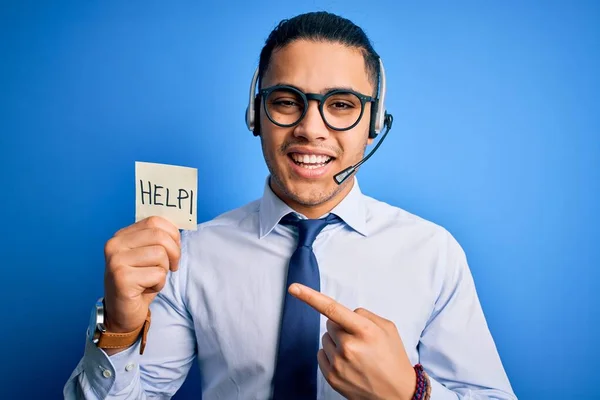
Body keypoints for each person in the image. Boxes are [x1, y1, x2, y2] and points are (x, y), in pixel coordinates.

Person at [64, 11, 517, 400]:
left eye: (341, 105)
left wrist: (408, 392)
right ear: (255, 115)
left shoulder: (433, 253)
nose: (311, 129)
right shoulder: (189, 253)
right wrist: (120, 330)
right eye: (286, 102)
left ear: (374, 122)